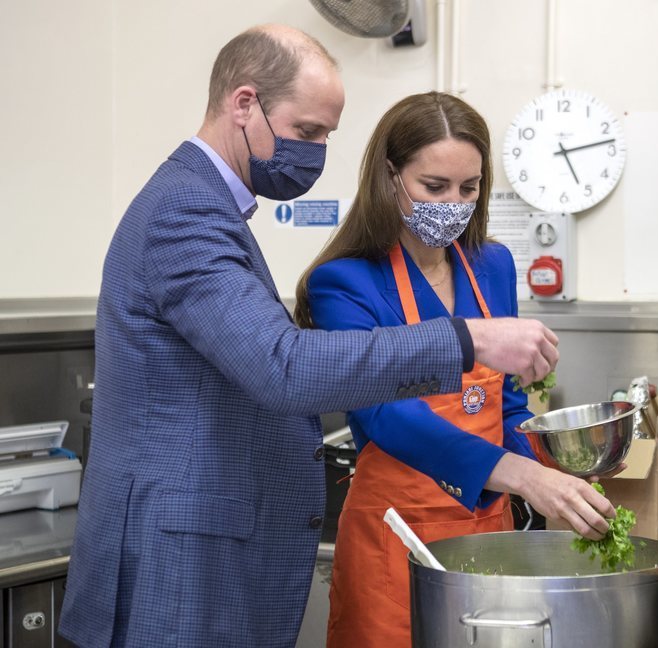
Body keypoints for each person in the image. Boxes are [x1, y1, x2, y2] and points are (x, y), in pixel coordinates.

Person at [59, 25, 559, 648]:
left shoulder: (207, 208)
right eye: (307, 132)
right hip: (180, 558)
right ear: (244, 105)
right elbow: (283, 366)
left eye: (327, 134)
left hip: (215, 547)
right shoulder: (185, 212)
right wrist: (465, 340)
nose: (317, 153)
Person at [293, 91, 616, 648]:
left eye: (469, 188)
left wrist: (559, 467)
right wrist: (524, 477)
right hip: (394, 539)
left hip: (487, 532)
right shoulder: (345, 283)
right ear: (390, 177)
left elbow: (506, 407)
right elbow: (387, 420)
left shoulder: (492, 265)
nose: (454, 203)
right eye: (434, 187)